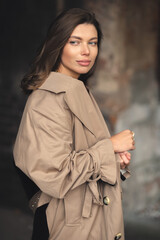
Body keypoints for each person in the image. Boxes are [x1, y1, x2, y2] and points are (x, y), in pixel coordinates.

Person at [13, 8, 135, 240]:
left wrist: (112, 160)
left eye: (93, 42)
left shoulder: (77, 90)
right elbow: (55, 174)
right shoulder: (49, 97)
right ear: (58, 45)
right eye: (75, 42)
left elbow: (81, 156)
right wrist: (108, 147)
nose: (86, 51)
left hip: (89, 222)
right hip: (68, 226)